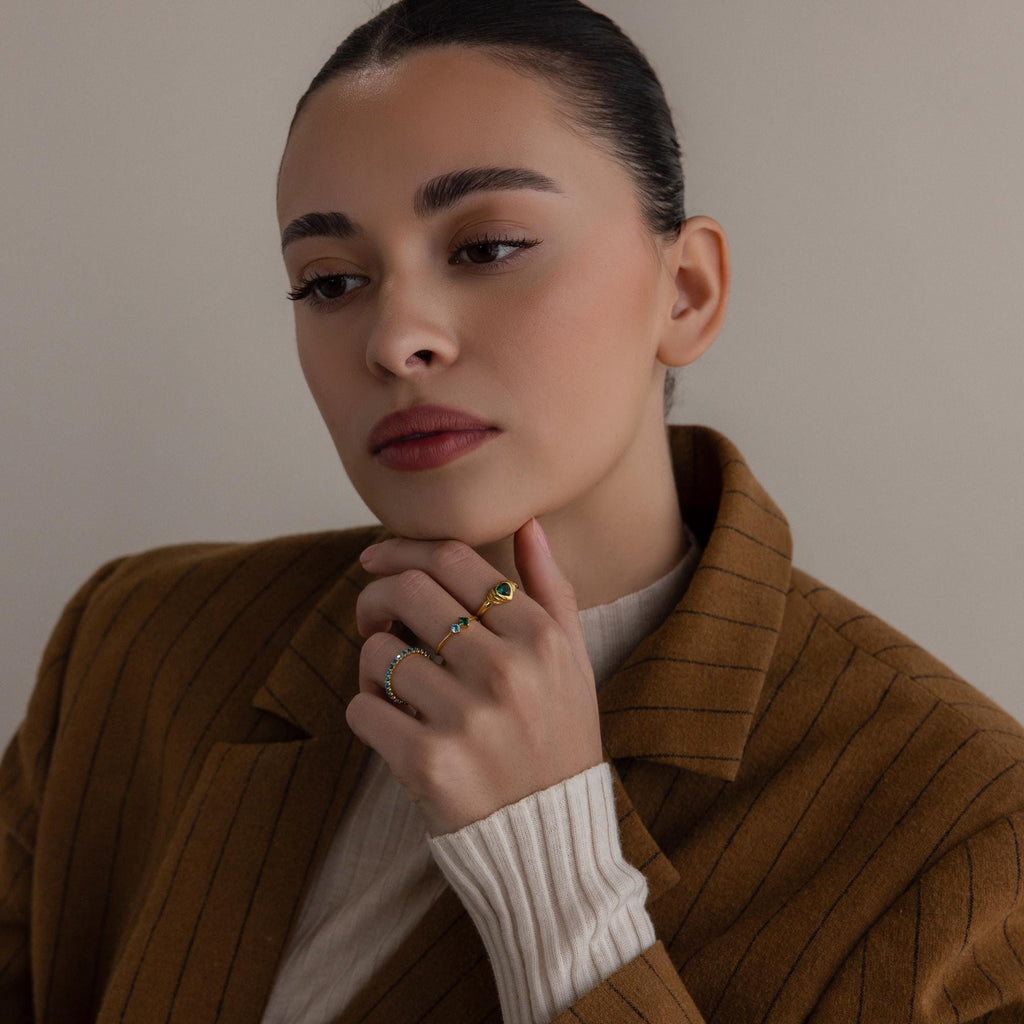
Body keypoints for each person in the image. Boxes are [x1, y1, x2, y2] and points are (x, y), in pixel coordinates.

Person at [1, 0, 1022, 1020]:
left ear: (686, 292)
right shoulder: (134, 649)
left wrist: (553, 876)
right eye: (331, 282)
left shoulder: (964, 834)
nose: (395, 339)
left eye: (486, 248)